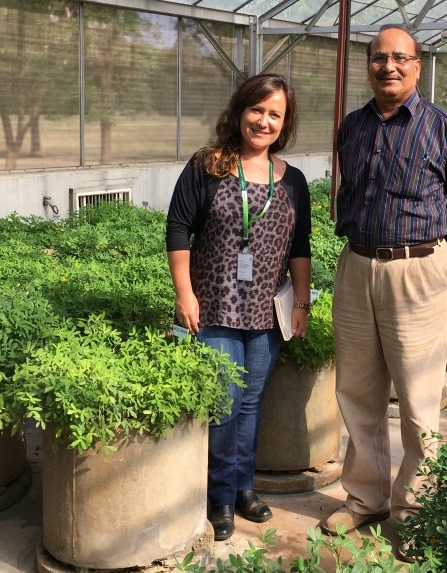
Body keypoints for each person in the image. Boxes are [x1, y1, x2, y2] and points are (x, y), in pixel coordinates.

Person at [320, 24, 447, 561]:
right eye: (378, 58)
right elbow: (349, 192)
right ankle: (366, 498)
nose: (388, 67)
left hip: (419, 270)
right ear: (368, 65)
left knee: (417, 398)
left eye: (400, 58)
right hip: (356, 266)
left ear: (418, 65)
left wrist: (433, 267)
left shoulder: (446, 127)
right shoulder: (353, 127)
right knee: (357, 391)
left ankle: (415, 508)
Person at [166, 73, 312, 542]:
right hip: (215, 310)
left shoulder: (293, 180)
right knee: (225, 404)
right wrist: (184, 293)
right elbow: (177, 229)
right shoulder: (207, 166)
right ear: (240, 111)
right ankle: (218, 496)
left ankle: (244, 489)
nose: (263, 121)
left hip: (266, 313)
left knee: (250, 405)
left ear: (284, 124)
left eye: (275, 114)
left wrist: (302, 303)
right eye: (257, 110)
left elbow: (300, 246)